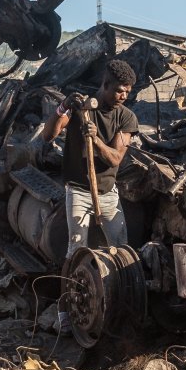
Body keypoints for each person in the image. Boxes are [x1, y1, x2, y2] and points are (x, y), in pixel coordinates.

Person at [41, 59, 140, 334]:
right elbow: (48, 136)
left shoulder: (126, 117)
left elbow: (116, 158)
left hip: (108, 193)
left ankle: (122, 307)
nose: (123, 96)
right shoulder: (81, 108)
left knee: (121, 250)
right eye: (119, 90)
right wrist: (63, 108)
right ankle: (65, 310)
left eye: (127, 92)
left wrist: (95, 140)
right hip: (79, 191)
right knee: (75, 251)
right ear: (105, 85)